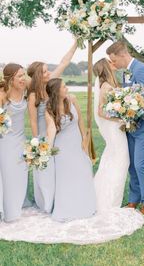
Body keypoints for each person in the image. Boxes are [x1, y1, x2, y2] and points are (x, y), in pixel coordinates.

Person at [106, 41, 144, 215]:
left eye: (114, 59)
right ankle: (133, 199)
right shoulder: (127, 72)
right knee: (132, 164)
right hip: (131, 125)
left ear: (123, 55)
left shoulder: (142, 69)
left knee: (140, 164)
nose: (113, 63)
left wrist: (130, 110)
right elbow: (127, 95)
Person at [27, 40, 78, 213]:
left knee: (58, 169)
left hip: (58, 133)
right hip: (43, 135)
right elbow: (33, 120)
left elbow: (64, 61)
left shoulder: (51, 85)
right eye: (45, 71)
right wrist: (36, 144)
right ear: (37, 76)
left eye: (48, 70)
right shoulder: (34, 95)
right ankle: (45, 203)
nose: (48, 73)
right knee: (45, 170)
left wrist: (76, 42)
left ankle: (58, 200)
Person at [45, 78, 96, 221]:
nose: (66, 88)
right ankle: (68, 208)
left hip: (77, 142)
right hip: (62, 148)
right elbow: (51, 129)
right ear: (56, 92)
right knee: (66, 177)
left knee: (83, 170)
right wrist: (46, 148)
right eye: (63, 86)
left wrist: (85, 140)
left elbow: (80, 120)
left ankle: (86, 206)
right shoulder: (49, 109)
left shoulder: (72, 99)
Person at [93, 58, 130, 212]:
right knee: (121, 160)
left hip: (116, 127)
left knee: (112, 160)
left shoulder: (111, 84)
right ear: (106, 67)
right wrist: (120, 118)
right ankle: (110, 201)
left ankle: (105, 196)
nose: (113, 62)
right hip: (114, 128)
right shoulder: (106, 86)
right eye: (110, 61)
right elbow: (101, 112)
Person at [0, 63, 28, 222]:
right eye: (19, 76)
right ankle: (8, 211)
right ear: (11, 79)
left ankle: (17, 205)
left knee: (20, 173)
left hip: (21, 139)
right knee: (8, 174)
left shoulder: (25, 89)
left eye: (24, 75)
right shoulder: (2, 94)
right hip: (5, 140)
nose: (23, 79)